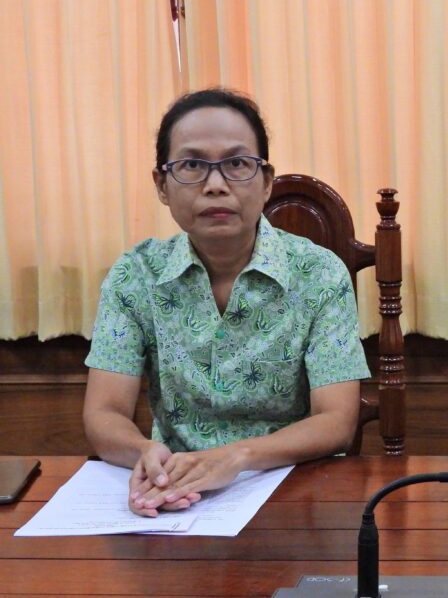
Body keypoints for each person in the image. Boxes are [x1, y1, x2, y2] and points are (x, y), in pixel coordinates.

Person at [83, 88, 369, 517]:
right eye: (192, 165)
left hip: (293, 494)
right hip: (174, 492)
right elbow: (104, 412)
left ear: (267, 182)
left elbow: (337, 421)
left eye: (237, 164)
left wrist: (235, 458)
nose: (215, 185)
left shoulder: (319, 273)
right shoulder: (135, 275)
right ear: (162, 185)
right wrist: (145, 454)